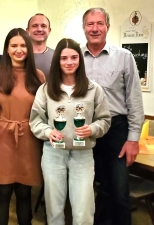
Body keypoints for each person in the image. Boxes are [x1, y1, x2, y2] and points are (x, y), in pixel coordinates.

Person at [30, 38, 111, 225]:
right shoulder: (46, 90)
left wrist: (92, 128)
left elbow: (105, 120)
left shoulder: (93, 89)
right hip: (53, 154)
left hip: (83, 155)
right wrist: (48, 131)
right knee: (54, 209)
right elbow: (35, 120)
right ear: (57, 61)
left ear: (80, 60)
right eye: (64, 58)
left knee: (83, 211)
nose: (69, 62)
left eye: (74, 57)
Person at [81, 8, 144, 225]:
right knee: (92, 190)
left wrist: (133, 139)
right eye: (90, 24)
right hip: (87, 131)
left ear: (107, 26)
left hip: (117, 131)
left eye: (100, 23)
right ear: (84, 28)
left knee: (118, 192)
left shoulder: (124, 57)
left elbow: (134, 99)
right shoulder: (74, 57)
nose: (95, 28)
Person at [0, 28, 45, 225]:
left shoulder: (39, 76)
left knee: (25, 194)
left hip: (30, 142)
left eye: (23, 45)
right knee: (0, 194)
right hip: (2, 142)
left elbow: (44, 112)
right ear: (7, 49)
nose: (19, 50)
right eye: (14, 45)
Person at [26, 13, 54, 79]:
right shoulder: (19, 55)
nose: (39, 29)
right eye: (35, 26)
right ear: (27, 30)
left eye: (43, 26)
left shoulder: (58, 55)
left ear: (49, 31)